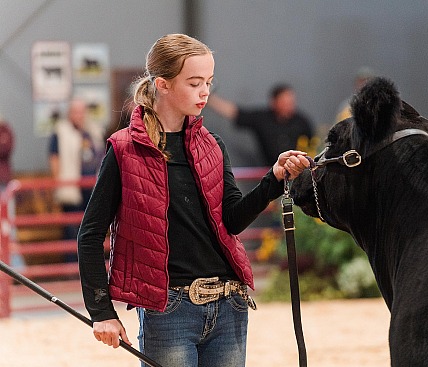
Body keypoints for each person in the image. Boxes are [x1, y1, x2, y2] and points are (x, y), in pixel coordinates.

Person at [77, 33, 310, 367]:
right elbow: (90, 234)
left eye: (209, 83)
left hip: (229, 305)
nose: (205, 92)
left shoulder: (212, 145)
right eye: (195, 83)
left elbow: (231, 220)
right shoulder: (123, 149)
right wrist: (101, 312)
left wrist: (273, 179)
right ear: (164, 84)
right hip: (168, 311)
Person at [206, 83, 313, 166]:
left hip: (297, 173)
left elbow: (313, 145)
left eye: (291, 103)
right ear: (274, 102)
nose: (288, 107)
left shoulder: (301, 122)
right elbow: (235, 112)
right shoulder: (263, 119)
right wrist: (208, 97)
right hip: (272, 173)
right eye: (284, 103)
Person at [49, 98, 101, 260]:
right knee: (71, 230)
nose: (79, 115)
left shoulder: (93, 131)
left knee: (90, 228)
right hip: (71, 188)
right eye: (75, 112)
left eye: (81, 112)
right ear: (69, 113)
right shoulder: (61, 132)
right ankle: (71, 265)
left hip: (91, 188)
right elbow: (55, 159)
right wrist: (59, 184)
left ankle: (89, 263)